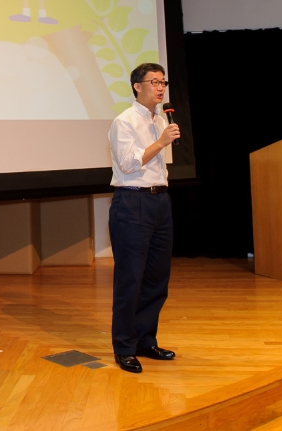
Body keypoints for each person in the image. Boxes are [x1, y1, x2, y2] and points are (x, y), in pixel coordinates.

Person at [107, 62, 180, 373]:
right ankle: (124, 347)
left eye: (163, 82)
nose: (160, 88)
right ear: (138, 87)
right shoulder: (124, 121)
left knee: (156, 279)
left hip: (160, 201)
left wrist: (162, 138)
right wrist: (161, 142)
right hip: (132, 202)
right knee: (130, 279)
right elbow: (128, 164)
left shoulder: (160, 118)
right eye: (154, 82)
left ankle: (145, 340)